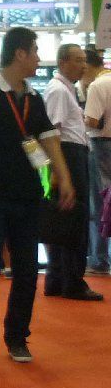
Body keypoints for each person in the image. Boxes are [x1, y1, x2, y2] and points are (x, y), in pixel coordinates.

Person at [0, 27, 75, 364]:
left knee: (27, 269)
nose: (38, 58)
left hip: (28, 195)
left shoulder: (33, 97)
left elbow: (49, 139)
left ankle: (17, 337)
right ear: (20, 53)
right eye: (35, 51)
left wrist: (64, 177)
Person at [43, 44, 102, 301]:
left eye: (84, 60)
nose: (84, 65)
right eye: (78, 60)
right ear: (63, 62)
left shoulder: (66, 89)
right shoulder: (58, 90)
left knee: (64, 219)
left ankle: (58, 279)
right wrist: (58, 170)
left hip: (70, 154)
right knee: (73, 219)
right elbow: (52, 132)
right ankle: (72, 282)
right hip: (68, 155)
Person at [83, 48, 111, 274]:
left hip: (101, 145)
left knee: (99, 202)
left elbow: (92, 121)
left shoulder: (97, 85)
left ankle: (99, 258)